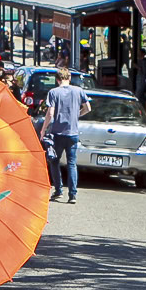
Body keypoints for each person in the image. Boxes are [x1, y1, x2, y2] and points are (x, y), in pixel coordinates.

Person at [42, 68, 90, 204]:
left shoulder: (53, 93)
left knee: (54, 161)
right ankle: (73, 195)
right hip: (73, 133)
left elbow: (50, 113)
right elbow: (88, 108)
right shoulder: (79, 91)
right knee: (71, 163)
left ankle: (58, 190)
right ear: (69, 78)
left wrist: (43, 129)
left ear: (57, 80)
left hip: (58, 133)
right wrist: (76, 115)